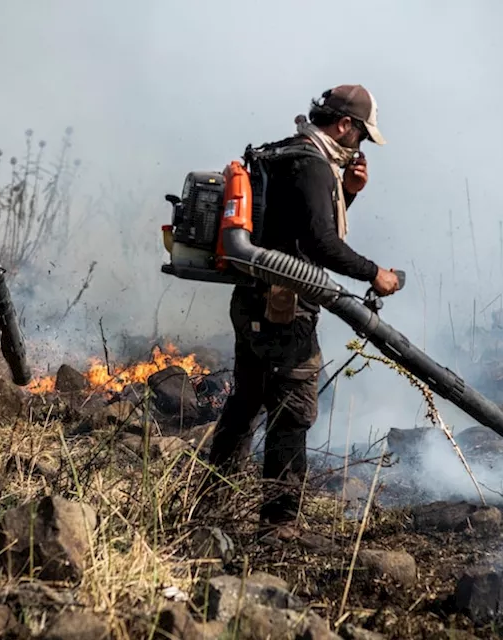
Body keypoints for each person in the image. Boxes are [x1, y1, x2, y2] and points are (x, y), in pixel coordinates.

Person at [203, 85, 403, 531]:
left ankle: (209, 509)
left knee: (245, 403)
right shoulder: (313, 166)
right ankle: (279, 526)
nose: (361, 147)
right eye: (361, 137)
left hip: (252, 298)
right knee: (293, 412)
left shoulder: (284, 154)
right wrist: (375, 274)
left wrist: (348, 193)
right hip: (284, 309)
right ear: (345, 125)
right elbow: (321, 244)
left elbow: (293, 228)